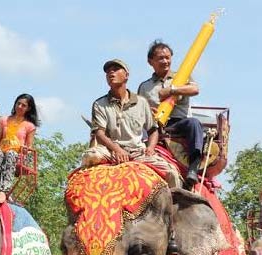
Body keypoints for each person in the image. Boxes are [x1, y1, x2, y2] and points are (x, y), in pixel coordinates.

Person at [81, 58, 181, 188]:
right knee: (89, 156)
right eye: (108, 72)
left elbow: (153, 130)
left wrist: (150, 148)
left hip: (137, 152)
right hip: (110, 151)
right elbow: (99, 133)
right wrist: (117, 150)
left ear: (126, 76)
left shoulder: (141, 102)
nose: (111, 73)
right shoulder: (99, 104)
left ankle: (174, 205)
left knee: (171, 172)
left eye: (116, 70)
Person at [137, 40, 204, 189]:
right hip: (156, 126)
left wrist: (172, 90)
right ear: (150, 62)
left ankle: (193, 168)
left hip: (180, 122)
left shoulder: (182, 77)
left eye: (168, 57)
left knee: (194, 123)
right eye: (160, 58)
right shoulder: (145, 86)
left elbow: (195, 89)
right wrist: (149, 111)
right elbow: (139, 109)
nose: (165, 61)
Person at [0, 93, 39, 204]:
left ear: (28, 108)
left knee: (11, 154)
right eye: (18, 104)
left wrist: (23, 149)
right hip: (1, 151)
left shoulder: (29, 126)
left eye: (23, 105)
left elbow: (29, 147)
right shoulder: (3, 120)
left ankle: (4, 190)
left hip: (18, 155)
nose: (20, 107)